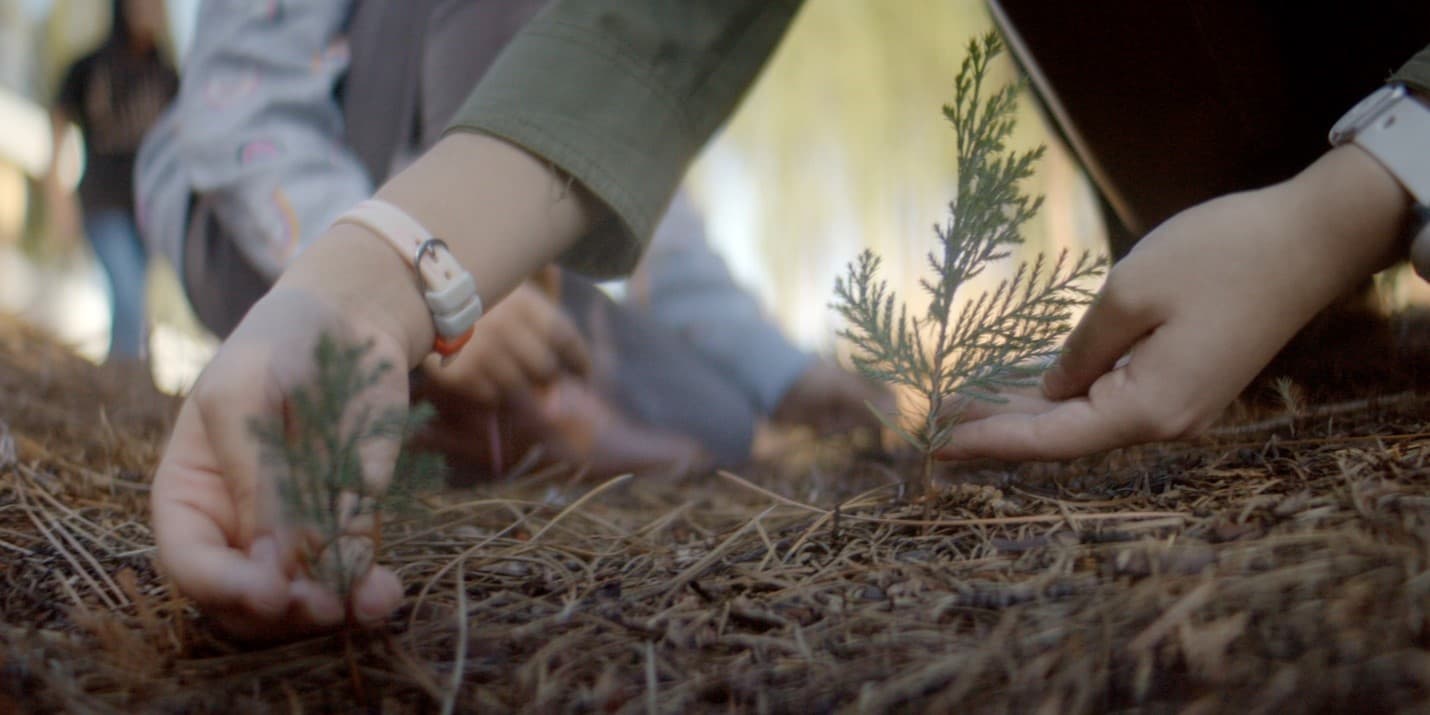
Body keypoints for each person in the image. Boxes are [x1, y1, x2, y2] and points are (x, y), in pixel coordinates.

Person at [148, 0, 1430, 638]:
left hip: (501, 266)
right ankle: (508, 392)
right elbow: (633, 55)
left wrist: (1346, 204)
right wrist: (367, 276)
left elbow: (666, 234)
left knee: (713, 419)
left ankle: (561, 394)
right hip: (280, 207)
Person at [136, 1, 888, 481]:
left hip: (482, 257)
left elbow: (618, 165)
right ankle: (471, 392)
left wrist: (781, 371)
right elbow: (241, 104)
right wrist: (421, 274)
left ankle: (480, 407)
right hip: (269, 219)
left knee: (718, 421)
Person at [47, 0, 176, 363]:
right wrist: (58, 196)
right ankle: (124, 385)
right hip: (102, 204)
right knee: (129, 294)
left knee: (136, 304)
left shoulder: (166, 76)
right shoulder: (92, 67)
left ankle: (124, 388)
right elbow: (58, 122)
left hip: (148, 211)